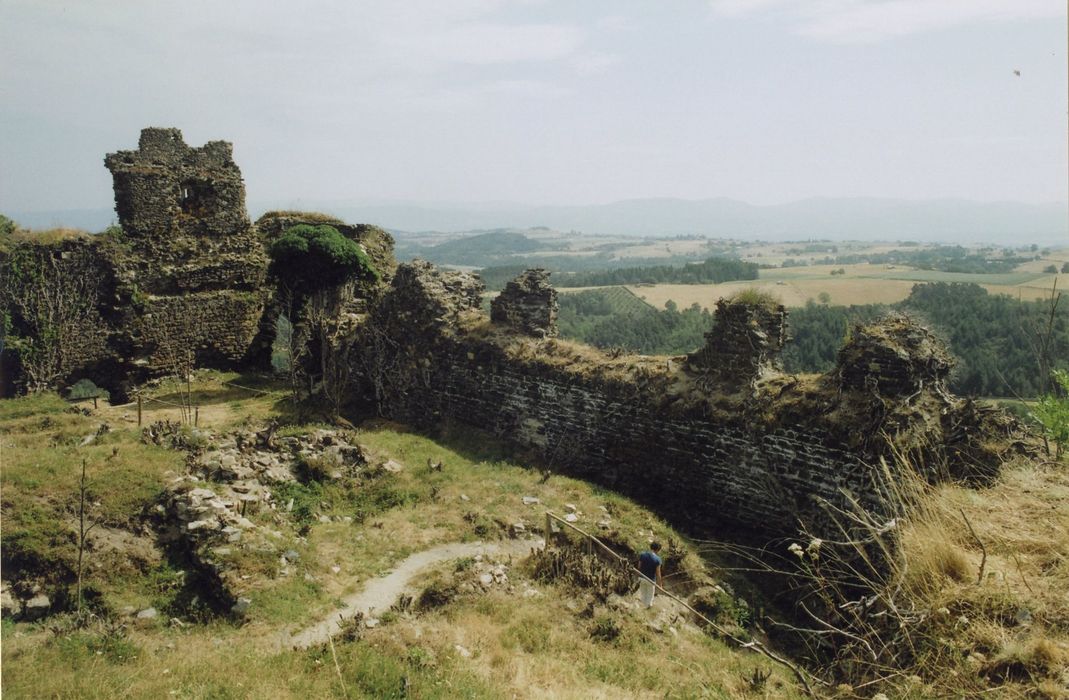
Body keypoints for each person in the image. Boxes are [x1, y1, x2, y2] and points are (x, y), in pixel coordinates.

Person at [637, 541, 662, 609]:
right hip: (651, 581)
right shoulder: (658, 559)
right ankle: (647, 610)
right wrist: (660, 585)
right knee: (650, 598)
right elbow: (658, 573)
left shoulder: (642, 554)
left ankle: (641, 610)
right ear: (658, 549)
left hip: (641, 578)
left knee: (643, 595)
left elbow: (639, 567)